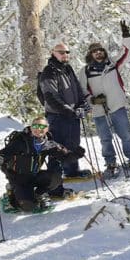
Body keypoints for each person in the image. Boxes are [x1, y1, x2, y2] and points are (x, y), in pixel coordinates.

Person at [79, 22, 130, 178]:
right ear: (90, 55)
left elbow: (127, 50)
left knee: (126, 135)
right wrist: (92, 100)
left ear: (104, 52)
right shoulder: (85, 71)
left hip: (117, 106)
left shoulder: (113, 64)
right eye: (95, 52)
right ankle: (111, 163)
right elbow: (82, 91)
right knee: (105, 139)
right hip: (99, 110)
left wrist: (125, 35)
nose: (98, 54)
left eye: (100, 51)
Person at [0, 118, 86, 212]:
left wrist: (75, 154)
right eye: (35, 126)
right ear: (31, 127)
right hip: (17, 177)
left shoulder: (49, 144)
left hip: (34, 175)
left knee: (55, 179)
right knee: (28, 207)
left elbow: (64, 156)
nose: (38, 129)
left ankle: (39, 194)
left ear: (47, 129)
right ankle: (11, 192)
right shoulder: (21, 141)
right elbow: (5, 153)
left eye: (42, 127)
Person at [38, 42, 91, 179]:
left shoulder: (68, 69)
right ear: (53, 52)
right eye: (61, 52)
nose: (65, 55)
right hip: (57, 116)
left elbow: (77, 89)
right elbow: (50, 96)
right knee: (57, 146)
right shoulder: (48, 71)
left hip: (72, 114)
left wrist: (82, 105)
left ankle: (72, 170)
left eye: (67, 52)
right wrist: (68, 110)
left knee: (73, 143)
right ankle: (54, 176)